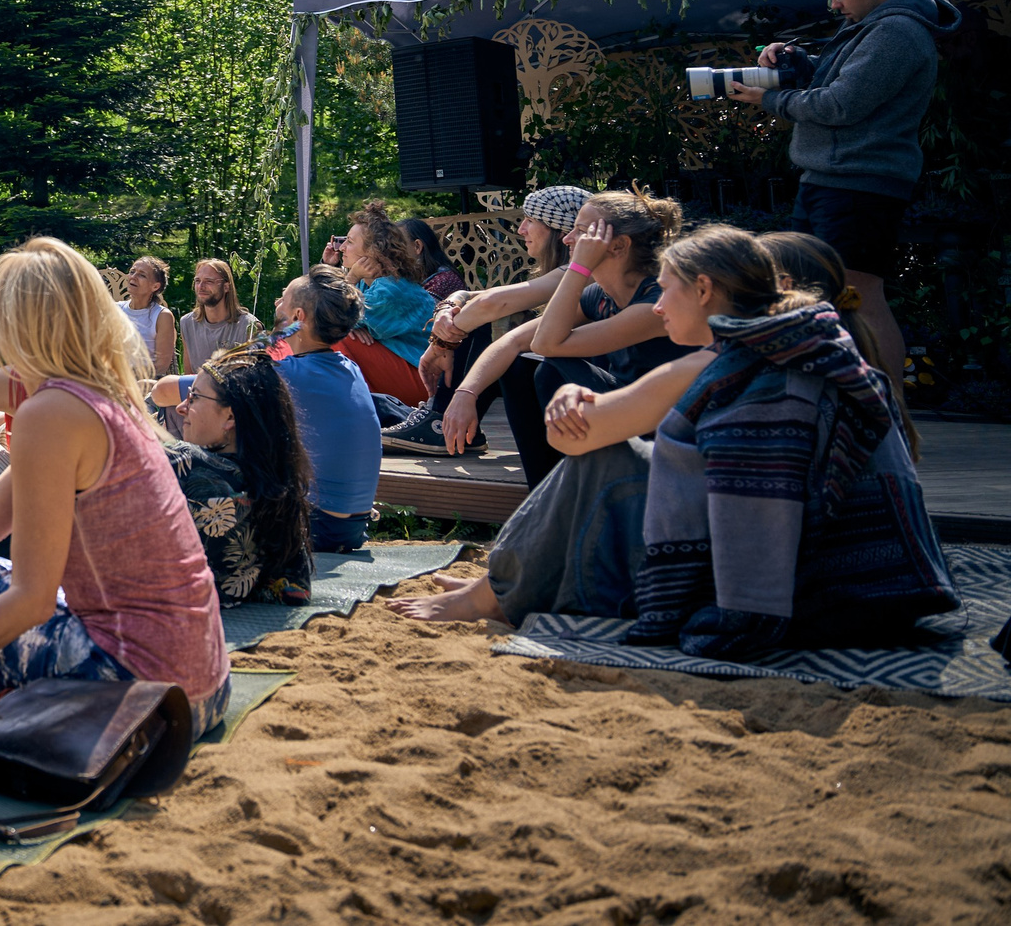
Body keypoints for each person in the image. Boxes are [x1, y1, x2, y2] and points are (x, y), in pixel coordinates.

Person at [391, 225, 955, 647]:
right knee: (634, 465)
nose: (658, 306)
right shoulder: (827, 348)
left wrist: (573, 406)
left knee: (610, 466)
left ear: (705, 290)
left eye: (665, 291)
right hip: (888, 582)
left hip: (808, 591)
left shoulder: (721, 361)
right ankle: (497, 585)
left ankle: (492, 594)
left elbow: (582, 444)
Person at [0, 239, 231, 732]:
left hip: (139, 691)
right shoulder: (105, 391)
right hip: (202, 684)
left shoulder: (50, 414)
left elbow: (33, 599)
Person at [731, 0, 956, 424]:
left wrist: (768, 100)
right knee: (819, 291)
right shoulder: (868, 27)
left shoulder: (897, 33)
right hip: (831, 178)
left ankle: (888, 411)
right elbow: (832, 86)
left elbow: (840, 105)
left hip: (862, 183)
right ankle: (841, 401)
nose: (832, 3)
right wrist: (788, 60)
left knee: (859, 292)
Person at [492, 189, 701, 485]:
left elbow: (546, 343)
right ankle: (546, 486)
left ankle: (581, 486)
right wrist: (466, 395)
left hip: (663, 420)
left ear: (618, 247)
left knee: (550, 369)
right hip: (624, 405)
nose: (567, 239)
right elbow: (534, 340)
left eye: (580, 232)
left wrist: (579, 267)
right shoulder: (599, 295)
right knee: (521, 367)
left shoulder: (656, 302)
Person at [381, 184, 592, 457]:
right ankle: (442, 420)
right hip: (561, 379)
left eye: (531, 221)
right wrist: (451, 305)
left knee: (492, 324)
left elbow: (493, 304)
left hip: (572, 384)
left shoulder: (578, 273)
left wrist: (440, 342)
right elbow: (480, 297)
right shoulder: (565, 272)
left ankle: (439, 420)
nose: (521, 229)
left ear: (559, 230)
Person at [151, 347, 314, 606]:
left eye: (194, 397)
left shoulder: (185, 463)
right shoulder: (278, 485)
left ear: (230, 416)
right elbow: (296, 591)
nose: (181, 407)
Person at [269, 266, 384, 552]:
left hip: (317, 527)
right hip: (351, 527)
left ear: (298, 317)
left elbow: (166, 389)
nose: (276, 304)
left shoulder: (292, 373)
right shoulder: (349, 368)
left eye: (283, 299)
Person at [322, 198, 436, 403]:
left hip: (424, 380)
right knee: (333, 329)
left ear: (373, 251)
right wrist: (349, 323)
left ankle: (343, 407)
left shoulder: (390, 290)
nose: (341, 248)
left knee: (334, 335)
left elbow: (327, 315)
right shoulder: (371, 284)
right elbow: (327, 309)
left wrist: (351, 279)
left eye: (349, 241)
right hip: (410, 371)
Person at [179, 257, 263, 372]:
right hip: (198, 389)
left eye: (209, 281)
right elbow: (188, 375)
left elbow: (258, 378)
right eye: (197, 281)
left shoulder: (249, 326)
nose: (201, 286)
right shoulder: (187, 323)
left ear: (226, 287)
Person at [118, 256, 178, 380]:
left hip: (146, 383)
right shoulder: (115, 310)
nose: (133, 277)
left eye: (142, 275)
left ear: (155, 287)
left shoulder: (162, 316)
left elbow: (162, 366)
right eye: (132, 271)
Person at [401, 217, 465, 302]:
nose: (391, 252)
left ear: (417, 246)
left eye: (398, 246)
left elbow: (418, 313)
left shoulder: (444, 280)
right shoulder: (417, 277)